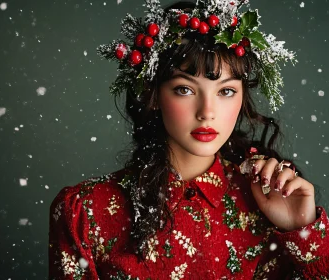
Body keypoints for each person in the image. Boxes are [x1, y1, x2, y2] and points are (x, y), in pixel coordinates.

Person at [48, 0, 329, 279]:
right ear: (155, 95)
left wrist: (303, 232)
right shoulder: (87, 211)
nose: (207, 112)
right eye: (185, 89)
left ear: (243, 97)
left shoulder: (269, 203)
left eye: (226, 91)